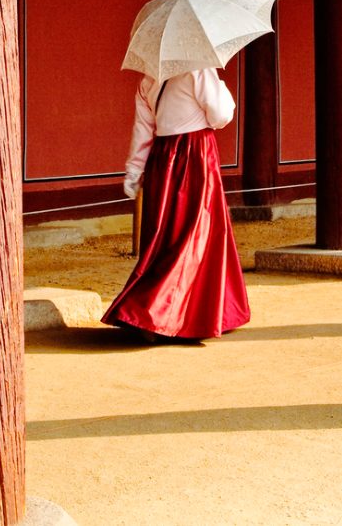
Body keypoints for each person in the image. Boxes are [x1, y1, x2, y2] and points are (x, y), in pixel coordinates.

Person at [101, 66, 250, 342]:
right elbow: (220, 116)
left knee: (163, 239)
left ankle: (162, 311)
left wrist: (133, 172)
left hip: (161, 159)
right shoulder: (198, 70)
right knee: (196, 235)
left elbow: (143, 130)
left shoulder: (147, 80)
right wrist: (223, 91)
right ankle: (151, 311)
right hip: (196, 157)